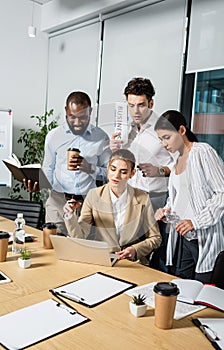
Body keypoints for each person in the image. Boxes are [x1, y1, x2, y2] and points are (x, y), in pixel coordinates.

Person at [154, 110, 224, 283]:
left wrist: (196, 222)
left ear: (182, 130)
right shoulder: (176, 162)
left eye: (167, 137)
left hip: (204, 238)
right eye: (161, 139)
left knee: (205, 290)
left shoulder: (202, 152)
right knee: (182, 288)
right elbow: (178, 199)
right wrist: (166, 211)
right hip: (185, 238)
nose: (164, 144)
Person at [110, 77, 175, 272]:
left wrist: (160, 171)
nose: (136, 112)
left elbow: (181, 164)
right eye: (131, 106)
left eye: (141, 105)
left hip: (156, 200)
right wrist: (114, 149)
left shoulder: (164, 127)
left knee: (156, 253)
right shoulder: (126, 129)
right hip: (131, 197)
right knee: (129, 254)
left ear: (151, 103)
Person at [26, 91, 111, 235]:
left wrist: (89, 168)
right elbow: (48, 169)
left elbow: (110, 173)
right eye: (72, 117)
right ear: (66, 111)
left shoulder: (101, 137)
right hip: (58, 201)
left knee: (82, 249)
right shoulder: (54, 136)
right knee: (53, 246)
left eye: (83, 118)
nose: (77, 123)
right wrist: (39, 185)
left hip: (87, 202)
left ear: (90, 112)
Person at [63, 149, 162, 265]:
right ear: (108, 168)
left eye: (123, 172)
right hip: (102, 259)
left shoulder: (142, 198)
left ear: (132, 173)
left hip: (132, 263)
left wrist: (135, 249)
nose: (116, 176)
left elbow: (155, 238)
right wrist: (70, 216)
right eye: (113, 169)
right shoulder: (94, 195)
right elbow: (80, 236)